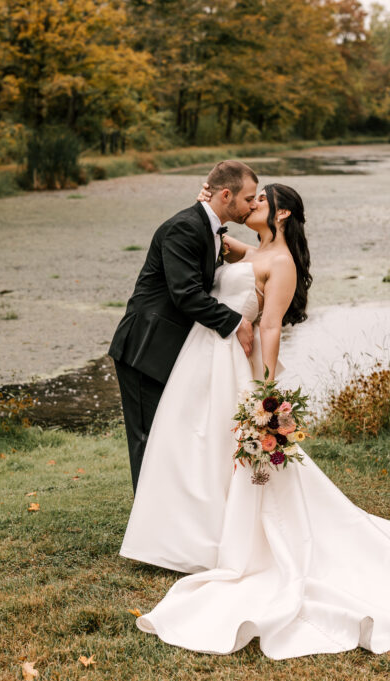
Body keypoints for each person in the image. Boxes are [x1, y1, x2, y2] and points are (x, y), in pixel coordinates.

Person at [121, 183, 390, 658]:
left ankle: (228, 541)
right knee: (194, 445)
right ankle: (192, 538)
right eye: (247, 199)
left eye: (259, 201)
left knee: (232, 450)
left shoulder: (282, 264)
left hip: (236, 363)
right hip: (201, 361)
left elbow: (270, 326)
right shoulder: (252, 250)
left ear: (283, 212)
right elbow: (214, 231)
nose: (251, 205)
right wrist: (208, 201)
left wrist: (267, 394)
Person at [108, 160, 259, 493]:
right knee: (147, 438)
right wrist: (235, 323)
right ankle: (147, 527)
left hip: (172, 350)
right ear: (225, 194)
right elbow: (185, 294)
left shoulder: (211, 227)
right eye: (249, 198)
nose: (253, 205)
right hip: (145, 348)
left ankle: (167, 516)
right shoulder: (185, 227)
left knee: (171, 436)